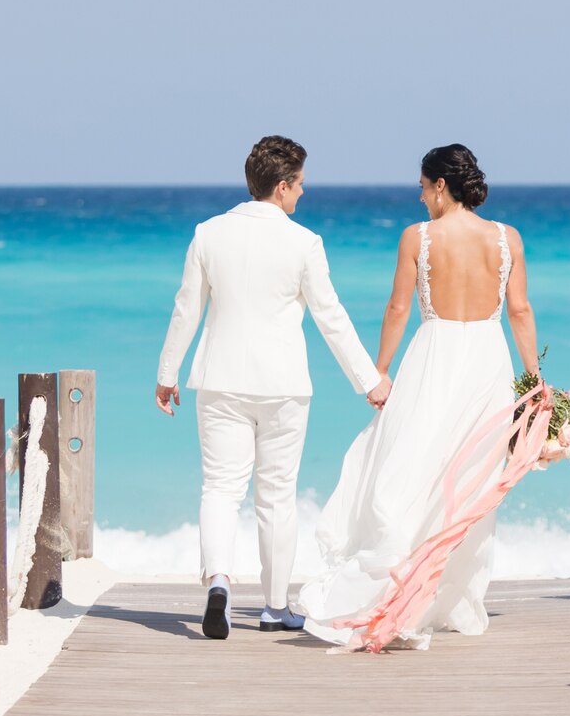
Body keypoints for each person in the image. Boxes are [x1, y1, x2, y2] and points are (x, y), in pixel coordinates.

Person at [298, 143, 539, 649]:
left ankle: (397, 583)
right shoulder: (508, 238)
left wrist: (380, 370)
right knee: (469, 479)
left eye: (424, 188)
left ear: (441, 186)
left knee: (409, 466)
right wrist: (533, 378)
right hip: (488, 362)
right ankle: (448, 597)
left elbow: (397, 308)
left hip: (433, 357)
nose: (421, 197)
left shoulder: (418, 237)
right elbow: (519, 310)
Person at [155, 135, 392, 639]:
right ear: (282, 186)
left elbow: (186, 308)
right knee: (277, 497)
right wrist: (368, 381)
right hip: (283, 386)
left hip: (219, 380)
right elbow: (331, 318)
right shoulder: (304, 242)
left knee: (220, 488)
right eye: (300, 183)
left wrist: (167, 373)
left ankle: (219, 582)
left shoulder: (208, 233)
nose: (303, 192)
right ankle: (275, 607)